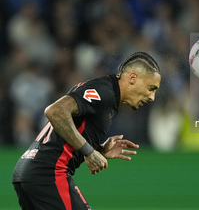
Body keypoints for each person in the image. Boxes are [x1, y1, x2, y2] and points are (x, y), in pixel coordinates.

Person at [12, 52, 161, 210]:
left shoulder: (107, 95)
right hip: (48, 174)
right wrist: (88, 151)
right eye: (151, 88)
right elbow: (55, 111)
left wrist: (99, 150)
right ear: (133, 78)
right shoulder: (104, 92)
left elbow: (67, 134)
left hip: (29, 171)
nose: (152, 97)